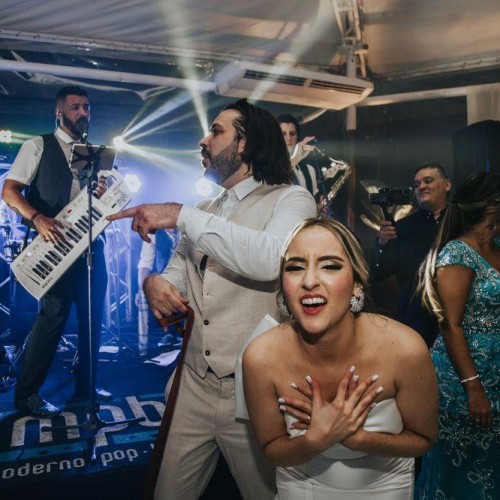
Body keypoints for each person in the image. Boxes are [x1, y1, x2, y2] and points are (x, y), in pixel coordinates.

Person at [108, 98, 317, 499]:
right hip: (194, 384)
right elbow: (179, 273)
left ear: (246, 143)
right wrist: (155, 284)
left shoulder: (291, 199)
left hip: (256, 392)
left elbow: (269, 258)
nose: (203, 141)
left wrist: (180, 214)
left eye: (217, 131)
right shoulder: (205, 208)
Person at [242, 218, 438, 499]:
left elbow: (424, 439)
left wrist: (358, 439)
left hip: (385, 486)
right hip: (302, 485)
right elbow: (271, 448)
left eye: (330, 266)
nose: (309, 281)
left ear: (357, 283)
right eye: (295, 267)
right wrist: (314, 441)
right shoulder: (260, 357)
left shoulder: (405, 349)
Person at [1, 85, 111, 417]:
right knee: (53, 318)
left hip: (91, 246)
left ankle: (85, 387)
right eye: (76, 107)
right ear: (59, 112)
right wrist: (36, 218)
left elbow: (93, 201)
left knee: (92, 318)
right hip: (53, 248)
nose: (83, 113)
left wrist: (100, 191)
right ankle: (27, 394)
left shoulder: (93, 152)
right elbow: (9, 191)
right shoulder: (38, 145)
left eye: (87, 107)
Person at [415, 171, 500, 499]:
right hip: (464, 378)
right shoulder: (457, 253)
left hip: (496, 372)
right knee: (461, 468)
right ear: (491, 206)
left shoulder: (496, 247)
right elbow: (449, 324)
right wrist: (473, 388)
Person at [369, 163, 452, 347]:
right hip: (416, 318)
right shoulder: (402, 227)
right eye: (417, 184)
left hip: (456, 313)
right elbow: (379, 272)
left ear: (447, 184)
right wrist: (382, 243)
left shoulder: (461, 222)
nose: (421, 187)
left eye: (428, 181)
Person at [136, 228, 180, 352]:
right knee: (144, 293)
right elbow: (145, 265)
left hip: (191, 276)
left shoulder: (186, 227)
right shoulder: (152, 233)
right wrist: (141, 290)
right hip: (166, 280)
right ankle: (144, 348)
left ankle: (185, 334)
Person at [277, 114, 321, 200]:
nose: (288, 138)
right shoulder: (268, 167)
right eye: (283, 134)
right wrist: (297, 157)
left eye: (292, 134)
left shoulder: (309, 169)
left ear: (297, 136)